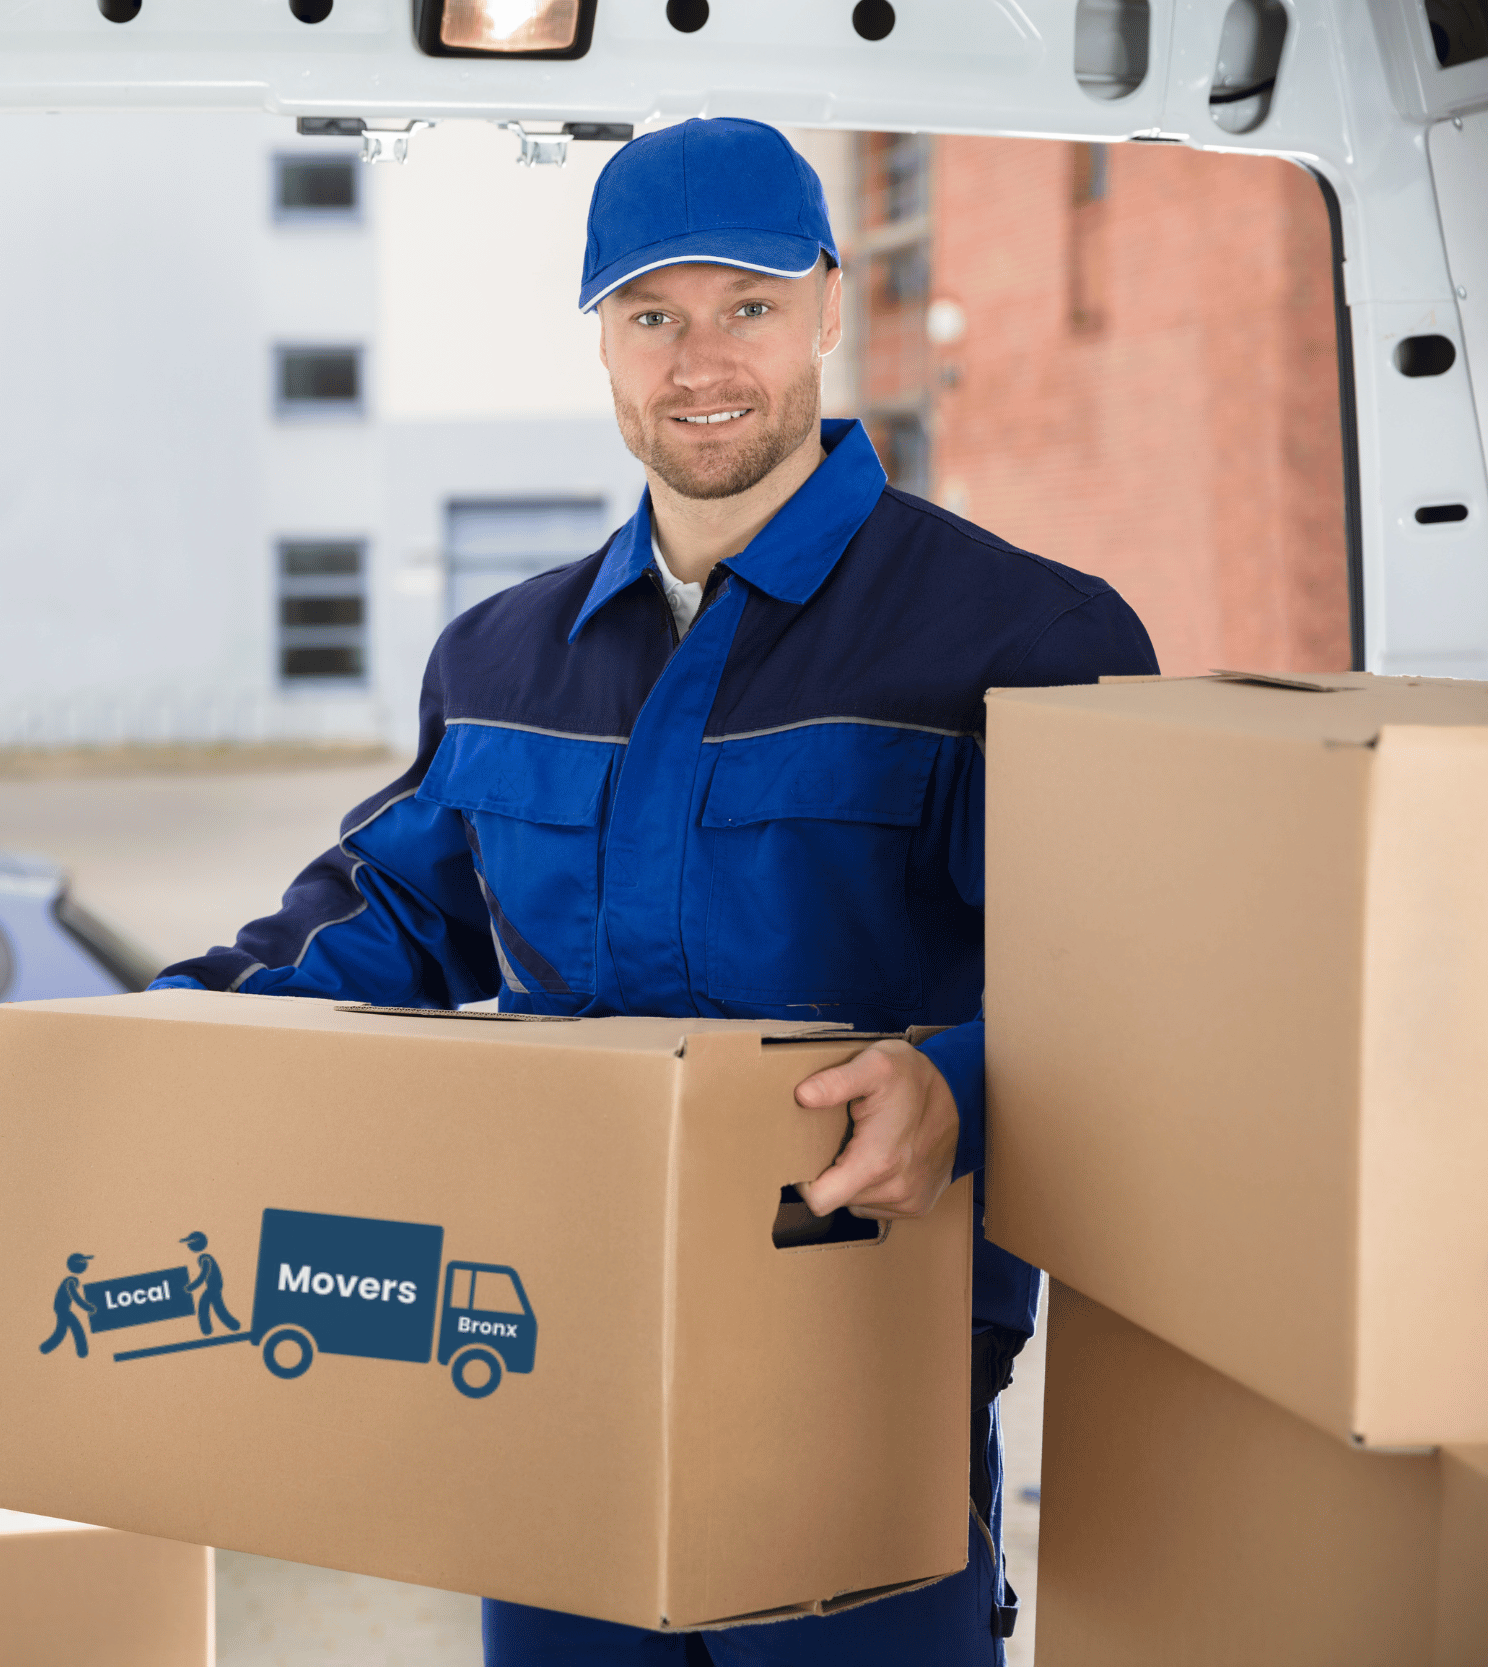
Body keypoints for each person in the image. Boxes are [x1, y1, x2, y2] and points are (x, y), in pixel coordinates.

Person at [152, 118, 1156, 1666]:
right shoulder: (499, 660)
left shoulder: (1019, 635)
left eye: (746, 305)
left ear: (831, 305)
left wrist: (955, 1085)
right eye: (651, 317)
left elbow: (1129, 995)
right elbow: (393, 920)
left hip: (864, 1374)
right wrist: (164, 1042)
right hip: (556, 1365)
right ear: (601, 343)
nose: (700, 363)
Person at [182, 1231, 241, 1336]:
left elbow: (203, 1275)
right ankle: (232, 1325)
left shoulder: (205, 1258)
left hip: (214, 1286)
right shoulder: (205, 1257)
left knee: (206, 1304)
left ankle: (208, 1329)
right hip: (214, 1286)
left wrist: (191, 1287)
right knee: (217, 1306)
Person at [42, 1253, 98, 1357]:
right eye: (83, 1262)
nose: (85, 1265)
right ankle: (82, 1352)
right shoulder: (70, 1281)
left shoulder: (69, 1280)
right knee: (74, 1327)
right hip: (62, 1309)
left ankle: (45, 1348)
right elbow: (76, 1297)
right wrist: (88, 1307)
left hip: (62, 1309)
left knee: (61, 1331)